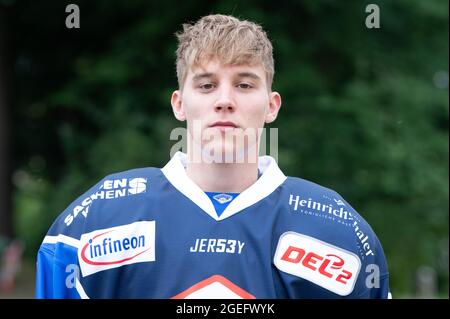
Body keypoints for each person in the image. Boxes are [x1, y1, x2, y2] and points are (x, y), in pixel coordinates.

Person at [36, 14, 390, 299]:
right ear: (179, 103)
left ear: (271, 105)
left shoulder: (338, 232)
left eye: (245, 84)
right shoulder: (93, 222)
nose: (224, 100)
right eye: (206, 85)